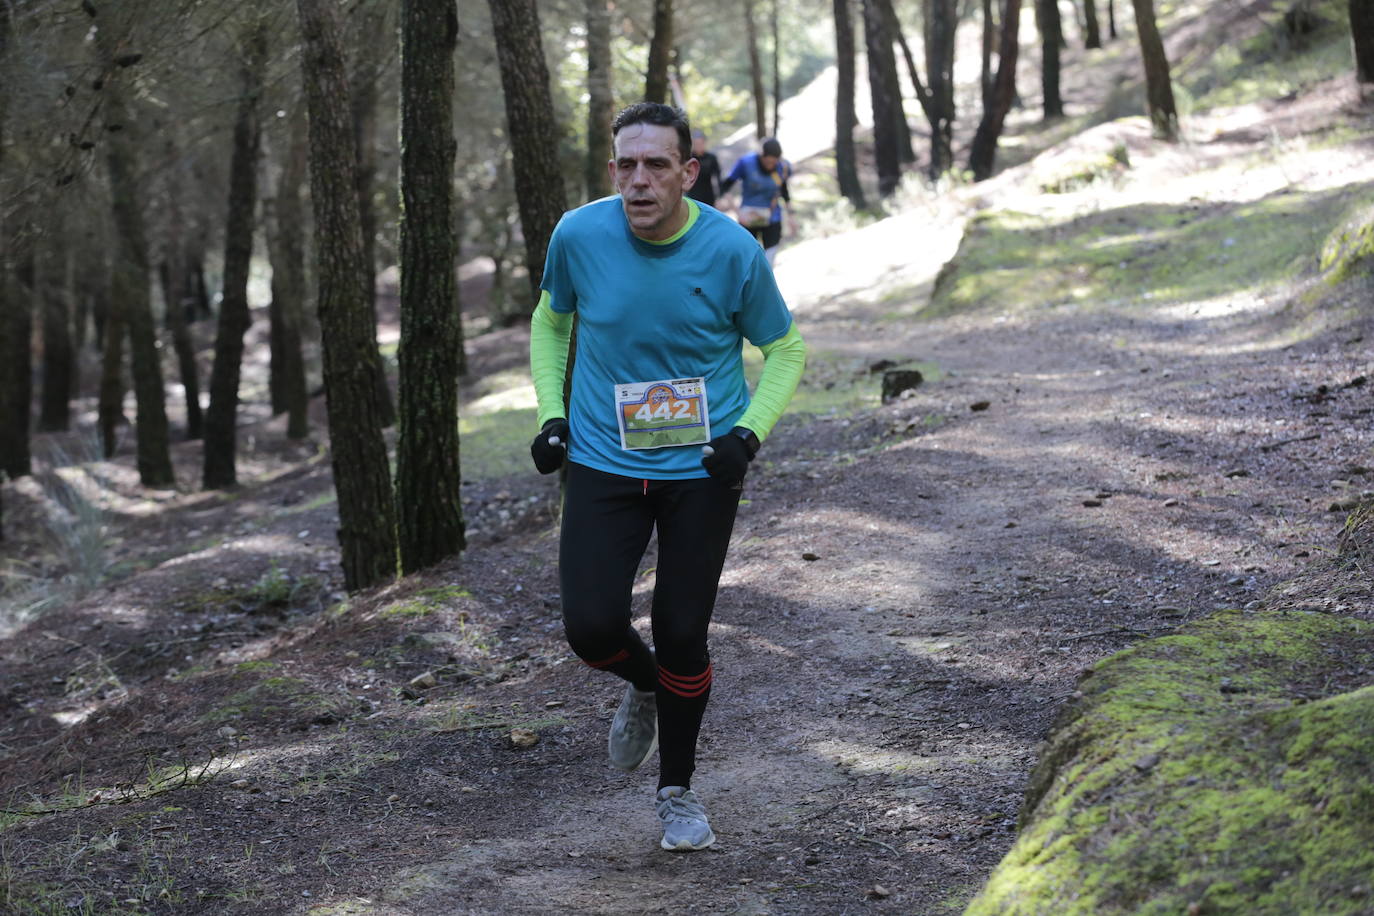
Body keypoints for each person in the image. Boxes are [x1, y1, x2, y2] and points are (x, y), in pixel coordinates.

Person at [527, 102, 806, 852]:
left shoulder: (731, 249)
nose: (639, 180)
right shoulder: (578, 235)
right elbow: (551, 321)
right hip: (603, 459)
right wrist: (552, 413)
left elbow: (785, 348)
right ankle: (646, 685)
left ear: (688, 171)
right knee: (591, 630)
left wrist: (747, 435)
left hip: (701, 469)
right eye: (626, 164)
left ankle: (676, 791)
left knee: (683, 632)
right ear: (612, 169)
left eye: (656, 165)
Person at [719, 137, 793, 265]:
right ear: (761, 156)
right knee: (748, 260)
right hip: (748, 218)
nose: (770, 165)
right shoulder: (746, 163)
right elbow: (725, 186)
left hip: (772, 218)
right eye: (768, 162)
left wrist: (791, 216)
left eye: (774, 162)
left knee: (769, 260)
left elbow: (784, 191)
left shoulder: (783, 166)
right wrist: (737, 212)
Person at [685, 128, 722, 207]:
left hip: (708, 197)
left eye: (700, 143)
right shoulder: (687, 158)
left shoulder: (711, 158)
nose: (698, 146)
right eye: (696, 143)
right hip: (691, 196)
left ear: (704, 143)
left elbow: (718, 178)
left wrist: (720, 197)